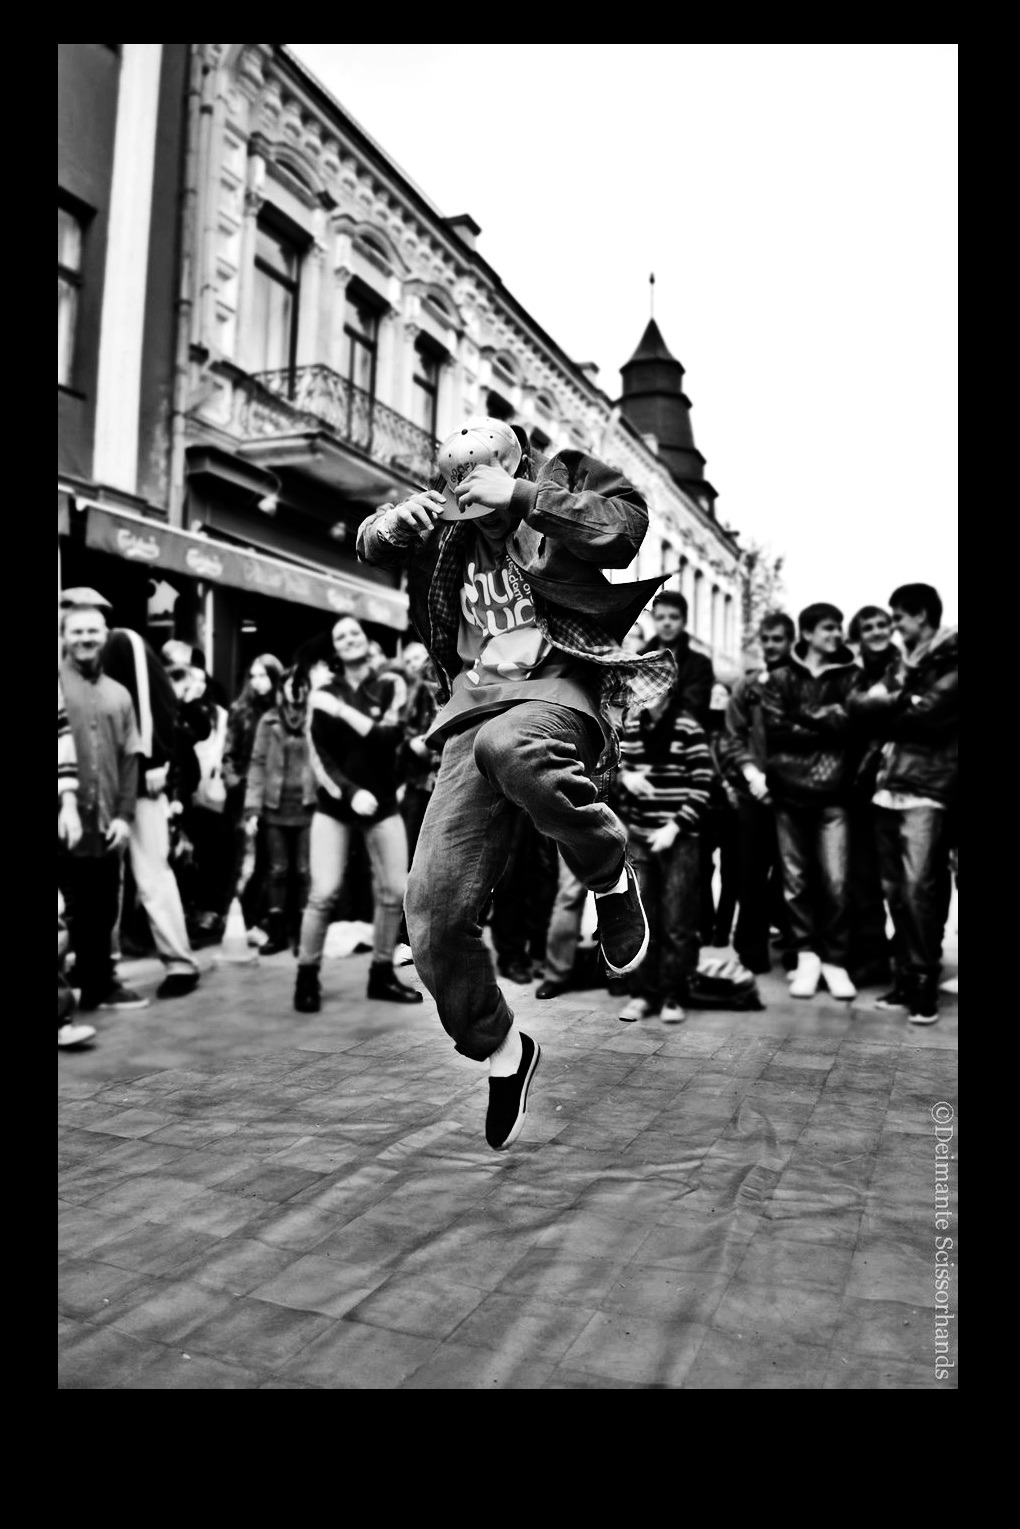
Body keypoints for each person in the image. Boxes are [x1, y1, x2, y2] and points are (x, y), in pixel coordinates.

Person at [357, 416, 673, 1150]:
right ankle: (504, 1050)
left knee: (514, 744)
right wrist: (390, 526)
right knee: (430, 913)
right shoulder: (446, 524)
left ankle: (607, 874)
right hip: (471, 711)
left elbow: (625, 528)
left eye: (491, 500)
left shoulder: (555, 480)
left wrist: (525, 497)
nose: (486, 519)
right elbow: (371, 539)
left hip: (558, 692)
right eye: (472, 504)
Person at [294, 614, 422, 1013]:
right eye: (341, 635)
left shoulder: (390, 684)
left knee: (393, 891)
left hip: (382, 804)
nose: (349, 638)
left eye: (355, 632)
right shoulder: (323, 692)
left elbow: (389, 737)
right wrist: (349, 793)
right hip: (335, 806)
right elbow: (318, 755)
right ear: (335, 648)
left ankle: (382, 974)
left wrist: (341, 710)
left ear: (366, 641)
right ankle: (306, 978)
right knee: (324, 893)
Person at [849, 584, 957, 1025]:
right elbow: (858, 705)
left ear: (922, 616)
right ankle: (908, 977)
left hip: (927, 787)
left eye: (898, 619)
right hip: (887, 785)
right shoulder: (902, 664)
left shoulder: (952, 661)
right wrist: (899, 701)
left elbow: (929, 717)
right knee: (896, 891)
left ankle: (924, 982)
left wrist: (888, 709)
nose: (894, 628)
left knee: (918, 889)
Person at [761, 602, 859, 1000]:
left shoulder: (851, 676)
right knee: (795, 881)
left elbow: (851, 726)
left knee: (837, 882)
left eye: (838, 627)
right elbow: (776, 730)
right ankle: (806, 956)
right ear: (808, 633)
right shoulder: (780, 677)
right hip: (789, 793)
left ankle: (835, 960)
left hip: (835, 794)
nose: (837, 634)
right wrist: (827, 718)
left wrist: (803, 717)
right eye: (829, 627)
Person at [101, 628, 202, 999]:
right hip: (103, 784)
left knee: (151, 874)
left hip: (139, 779)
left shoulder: (121, 642)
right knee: (104, 882)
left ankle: (179, 962)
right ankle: (102, 968)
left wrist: (156, 758)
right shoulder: (79, 655)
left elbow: (155, 698)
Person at [58, 592, 147, 1012]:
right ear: (64, 636)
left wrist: (126, 816)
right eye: (77, 631)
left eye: (93, 631)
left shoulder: (120, 694)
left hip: (107, 821)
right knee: (68, 912)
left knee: (102, 909)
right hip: (63, 820)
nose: (85, 638)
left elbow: (131, 758)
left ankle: (98, 986)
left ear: (105, 635)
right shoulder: (58, 685)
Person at [614, 660, 713, 1023]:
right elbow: (620, 767)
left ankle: (672, 994)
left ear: (668, 688)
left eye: (653, 685)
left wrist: (674, 826)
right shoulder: (633, 725)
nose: (645, 692)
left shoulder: (687, 726)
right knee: (646, 918)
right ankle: (643, 994)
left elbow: (703, 783)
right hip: (641, 836)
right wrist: (627, 777)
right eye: (640, 685)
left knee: (677, 920)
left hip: (679, 838)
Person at [724, 613, 795, 973]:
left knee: (792, 874)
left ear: (791, 641)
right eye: (765, 639)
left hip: (794, 794)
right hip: (754, 794)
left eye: (777, 639)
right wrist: (752, 774)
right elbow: (733, 736)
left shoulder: (801, 683)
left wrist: (780, 778)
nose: (770, 645)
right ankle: (751, 949)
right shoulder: (747, 686)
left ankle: (796, 946)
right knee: (750, 873)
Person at [845, 606, 898, 988]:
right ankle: (873, 956)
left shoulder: (905, 667)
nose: (877, 632)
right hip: (860, 789)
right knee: (863, 876)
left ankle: (912, 955)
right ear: (859, 634)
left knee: (905, 880)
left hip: (900, 784)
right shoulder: (854, 673)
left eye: (882, 625)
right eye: (869, 627)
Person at [244, 666, 314, 957]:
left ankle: (304, 935)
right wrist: (252, 809)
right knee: (278, 870)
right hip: (274, 807)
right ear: (282, 689)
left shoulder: (316, 717)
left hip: (309, 806)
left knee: (304, 871)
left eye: (300, 685)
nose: (295, 690)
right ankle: (277, 933)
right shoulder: (269, 719)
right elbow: (257, 763)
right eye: (290, 685)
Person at [223, 654, 283, 930]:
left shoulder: (282, 711)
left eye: (264, 675)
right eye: (253, 676)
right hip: (245, 791)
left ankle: (263, 917)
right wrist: (236, 783)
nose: (258, 682)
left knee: (272, 859)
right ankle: (238, 918)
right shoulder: (241, 709)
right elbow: (228, 753)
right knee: (243, 858)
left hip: (277, 792)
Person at [700, 677, 741, 949]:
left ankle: (723, 931)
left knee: (731, 873)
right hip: (704, 808)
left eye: (722, 695)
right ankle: (705, 927)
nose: (717, 700)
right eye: (713, 695)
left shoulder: (735, 729)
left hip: (731, 809)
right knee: (703, 871)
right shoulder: (700, 728)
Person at [640, 590, 714, 727]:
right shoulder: (638, 660)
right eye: (660, 617)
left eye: (674, 617)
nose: (667, 623)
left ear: (684, 621)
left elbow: (693, 709)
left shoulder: (700, 665)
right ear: (653, 620)